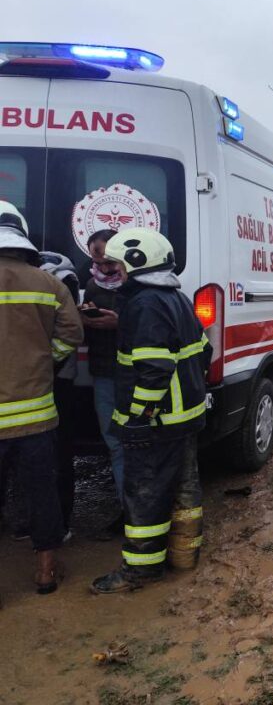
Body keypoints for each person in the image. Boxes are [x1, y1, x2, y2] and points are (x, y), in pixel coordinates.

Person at [91, 228, 211, 594]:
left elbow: (155, 369)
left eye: (115, 265)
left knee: (145, 495)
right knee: (184, 489)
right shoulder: (176, 297)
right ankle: (183, 556)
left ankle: (140, 571)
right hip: (186, 416)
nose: (112, 272)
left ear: (136, 262)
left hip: (158, 421)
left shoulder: (143, 305)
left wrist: (139, 417)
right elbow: (204, 352)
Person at [0, 202, 83, 594]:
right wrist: (46, 360)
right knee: (42, 493)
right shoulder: (49, 284)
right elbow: (72, 334)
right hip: (37, 415)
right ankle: (46, 572)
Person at [80, 229, 126, 512]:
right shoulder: (92, 284)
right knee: (114, 444)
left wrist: (120, 324)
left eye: (110, 260)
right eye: (98, 260)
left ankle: (137, 512)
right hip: (103, 373)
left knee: (134, 445)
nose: (105, 267)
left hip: (133, 375)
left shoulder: (137, 286)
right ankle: (126, 508)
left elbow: (153, 329)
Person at [38, 251, 81, 537]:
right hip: (51, 378)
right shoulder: (59, 279)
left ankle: (57, 524)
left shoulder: (58, 280)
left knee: (54, 455)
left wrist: (48, 363)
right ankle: (53, 527)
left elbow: (69, 333)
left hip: (51, 380)